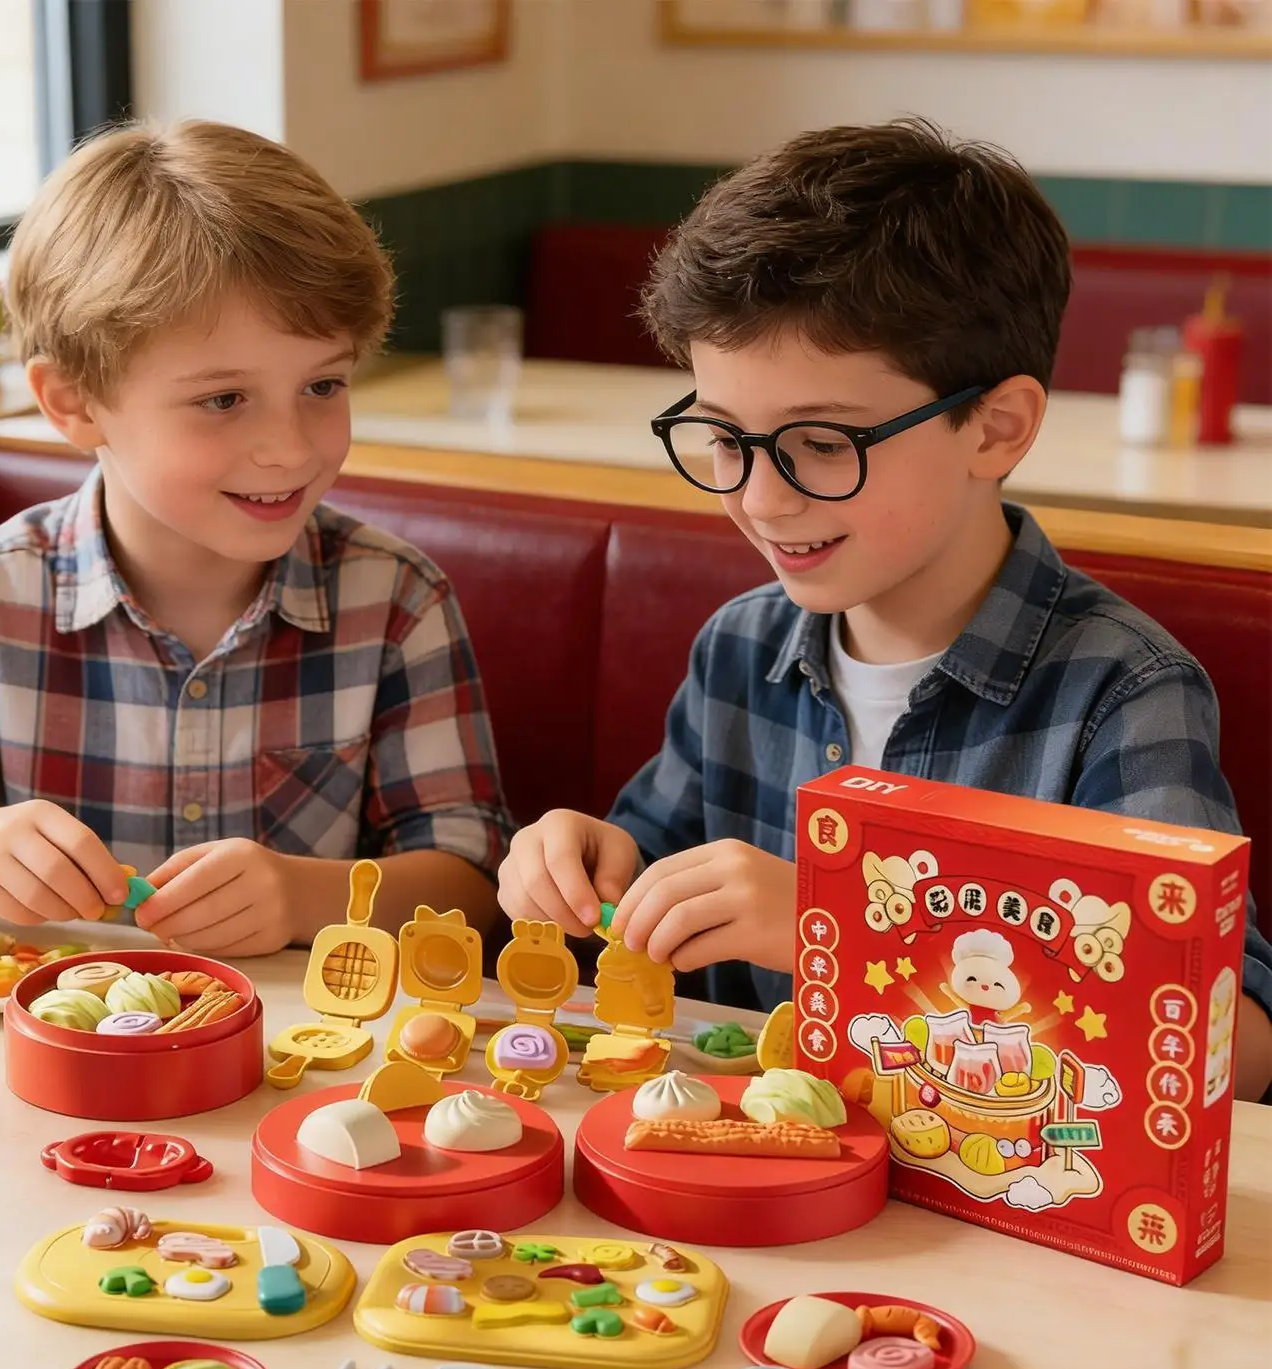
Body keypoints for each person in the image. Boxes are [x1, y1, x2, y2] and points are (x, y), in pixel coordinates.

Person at [497, 118, 1272, 1099]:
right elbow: (641, 876)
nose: (760, 498)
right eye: (721, 437)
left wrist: (845, 928)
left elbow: (1225, 1047)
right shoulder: (740, 647)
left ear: (993, 428)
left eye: (822, 442)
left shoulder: (1117, 691)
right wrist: (577, 870)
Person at [0, 120, 512, 948]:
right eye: (223, 399)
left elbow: (468, 880)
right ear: (73, 402)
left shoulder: (396, 597)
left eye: (322, 384)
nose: (291, 447)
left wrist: (306, 899)